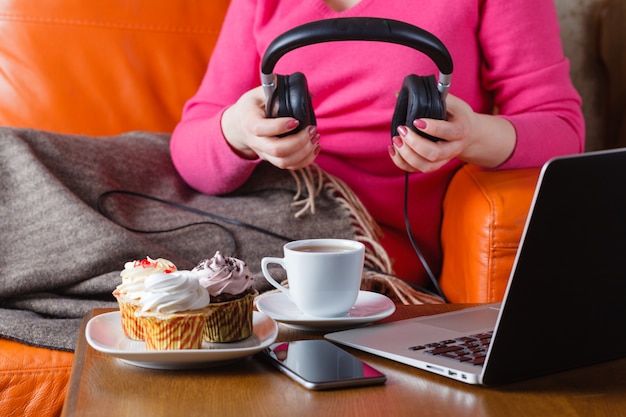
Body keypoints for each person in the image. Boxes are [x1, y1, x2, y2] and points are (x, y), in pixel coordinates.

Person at [169, 0, 585, 288]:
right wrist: (238, 133)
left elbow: (562, 128)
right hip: (257, 204)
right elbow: (190, 153)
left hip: (370, 245)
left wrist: (471, 136)